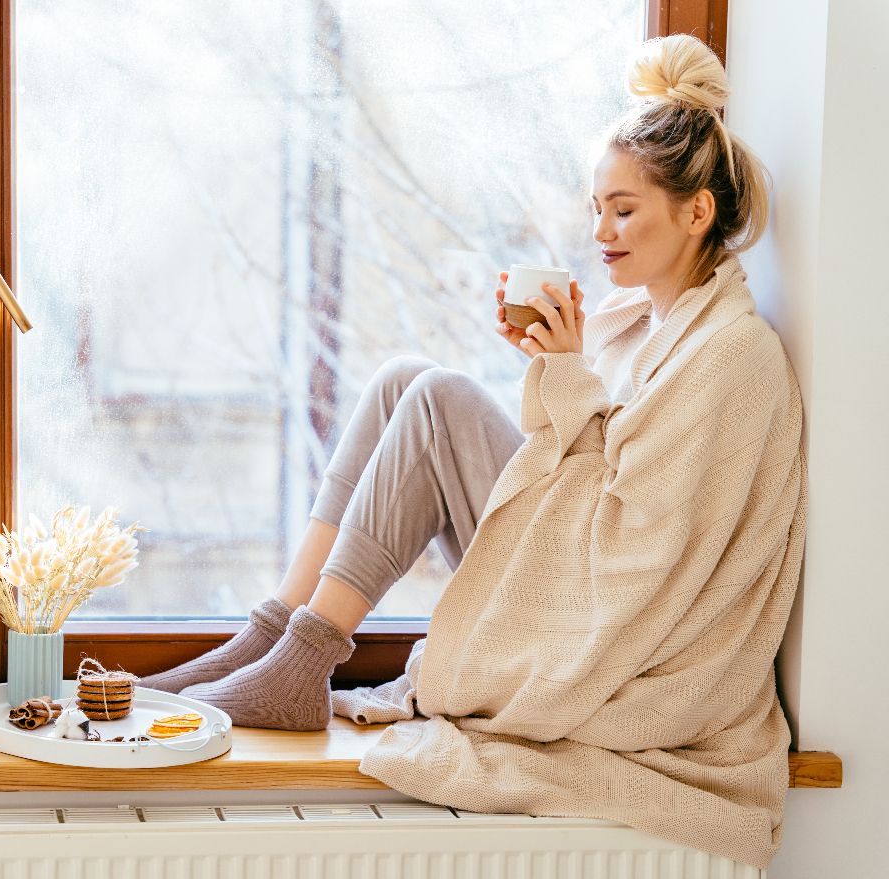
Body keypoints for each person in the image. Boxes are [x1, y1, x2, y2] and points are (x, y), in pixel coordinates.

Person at [141, 35, 804, 870]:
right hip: (575, 568)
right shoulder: (646, 323)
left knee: (438, 399)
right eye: (596, 205)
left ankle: (302, 661)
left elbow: (640, 548)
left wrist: (563, 375)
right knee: (402, 379)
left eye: (623, 209)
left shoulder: (733, 355)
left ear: (697, 211)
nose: (599, 230)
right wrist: (553, 363)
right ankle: (273, 641)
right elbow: (578, 461)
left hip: (615, 630)